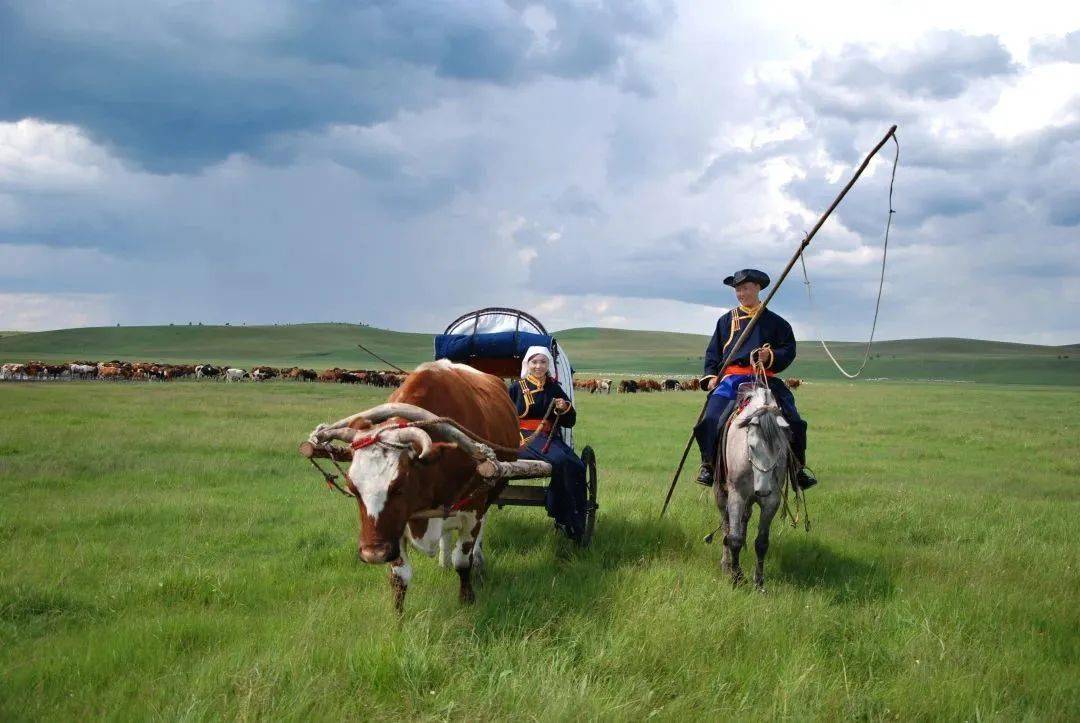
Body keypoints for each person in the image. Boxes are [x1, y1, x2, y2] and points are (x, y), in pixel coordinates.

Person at [693, 268, 817, 490]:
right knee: (709, 419)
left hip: (765, 379)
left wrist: (770, 356)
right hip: (731, 380)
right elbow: (712, 354)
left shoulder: (776, 323)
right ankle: (709, 464)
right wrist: (711, 377)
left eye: (745, 289)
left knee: (794, 421)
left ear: (758, 288)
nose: (741, 294)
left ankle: (798, 468)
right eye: (738, 290)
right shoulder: (725, 321)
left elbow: (788, 349)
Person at [507, 346, 588, 540]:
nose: (538, 366)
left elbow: (570, 421)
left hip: (550, 437)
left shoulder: (554, 387)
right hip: (524, 438)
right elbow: (504, 417)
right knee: (560, 460)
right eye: (534, 362)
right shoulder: (516, 388)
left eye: (543, 362)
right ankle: (560, 512)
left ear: (548, 364)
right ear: (527, 364)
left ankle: (577, 514)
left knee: (578, 465)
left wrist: (564, 408)